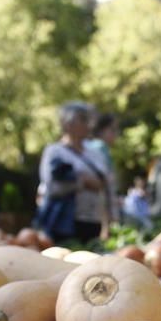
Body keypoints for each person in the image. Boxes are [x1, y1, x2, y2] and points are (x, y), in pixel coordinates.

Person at [36, 101, 109, 243]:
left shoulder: (96, 154)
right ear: (66, 123)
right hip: (64, 222)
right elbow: (51, 187)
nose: (88, 124)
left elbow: (107, 187)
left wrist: (111, 220)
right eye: (82, 119)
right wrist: (83, 182)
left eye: (88, 119)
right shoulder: (55, 152)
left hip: (93, 221)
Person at [86, 113, 120, 227]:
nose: (116, 134)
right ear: (101, 131)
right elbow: (104, 187)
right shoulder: (99, 147)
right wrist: (108, 221)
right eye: (112, 130)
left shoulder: (94, 147)